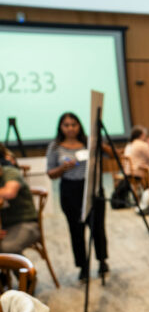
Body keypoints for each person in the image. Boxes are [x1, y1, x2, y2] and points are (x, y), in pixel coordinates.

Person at [46, 112, 109, 279]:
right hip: (70, 190)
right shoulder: (55, 147)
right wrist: (62, 168)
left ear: (79, 126)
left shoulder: (89, 142)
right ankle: (83, 266)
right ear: (61, 127)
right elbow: (50, 173)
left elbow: (110, 155)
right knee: (76, 230)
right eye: (66, 125)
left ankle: (102, 261)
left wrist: (98, 143)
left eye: (73, 124)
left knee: (98, 227)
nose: (70, 128)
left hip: (92, 187)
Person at [0, 164, 40, 254]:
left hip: (25, 222)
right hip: (4, 225)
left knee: (7, 248)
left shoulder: (10, 172)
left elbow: (9, 192)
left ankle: (20, 262)